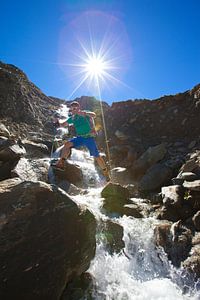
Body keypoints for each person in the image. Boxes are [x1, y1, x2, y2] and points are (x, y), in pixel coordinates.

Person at [54, 101, 110, 181]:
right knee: (67, 144)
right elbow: (64, 124)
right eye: (72, 108)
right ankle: (62, 163)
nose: (74, 110)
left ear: (78, 108)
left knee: (97, 156)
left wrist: (84, 113)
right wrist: (57, 123)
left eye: (75, 108)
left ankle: (105, 172)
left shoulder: (84, 112)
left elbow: (93, 115)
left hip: (89, 137)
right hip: (79, 138)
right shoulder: (73, 118)